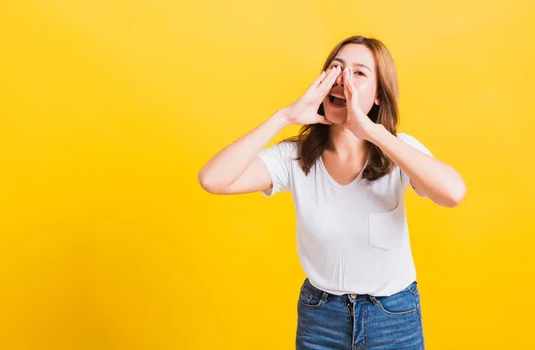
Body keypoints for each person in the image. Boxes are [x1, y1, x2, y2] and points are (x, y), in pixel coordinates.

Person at [198, 35, 466, 350]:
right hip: (321, 319)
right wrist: (284, 117)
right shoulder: (295, 157)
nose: (342, 80)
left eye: (359, 73)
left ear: (379, 94)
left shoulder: (398, 151)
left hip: (393, 317)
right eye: (335, 68)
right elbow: (212, 179)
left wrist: (373, 132)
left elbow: (453, 193)